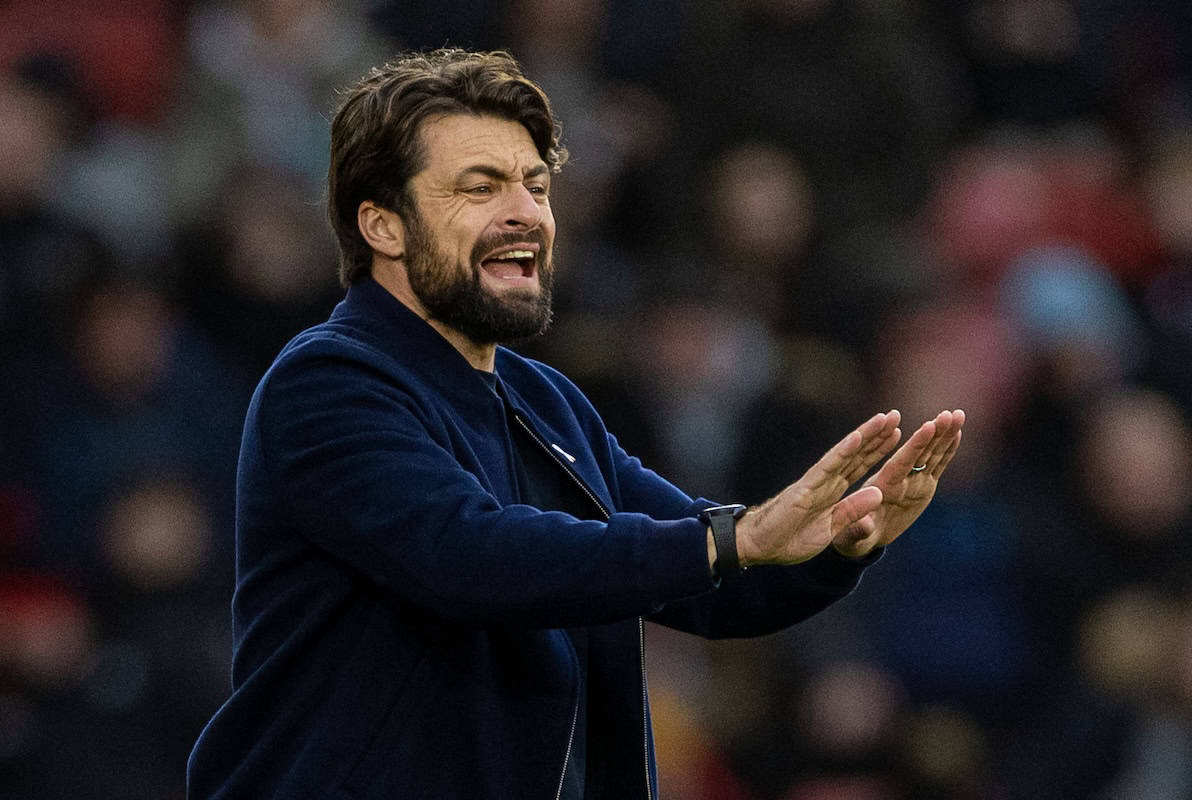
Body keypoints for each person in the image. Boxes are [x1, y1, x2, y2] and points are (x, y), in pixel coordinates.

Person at [185, 48, 964, 800]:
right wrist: (732, 539)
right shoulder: (328, 384)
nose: (526, 213)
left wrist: (837, 540)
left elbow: (711, 584)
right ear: (384, 226)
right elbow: (471, 557)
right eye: (481, 188)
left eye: (534, 185)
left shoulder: (546, 402)